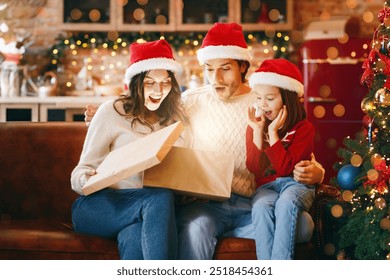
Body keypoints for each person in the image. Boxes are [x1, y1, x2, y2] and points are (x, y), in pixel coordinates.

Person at [83, 23, 325, 260]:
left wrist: (318, 172)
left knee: (303, 227)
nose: (216, 78)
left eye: (225, 68)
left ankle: (231, 232)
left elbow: (295, 146)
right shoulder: (190, 101)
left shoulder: (264, 100)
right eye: (209, 69)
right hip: (207, 205)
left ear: (242, 66)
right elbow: (149, 111)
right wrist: (108, 114)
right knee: (195, 229)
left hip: (252, 203)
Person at [71, 39, 185, 260]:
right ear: (135, 83)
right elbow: (78, 173)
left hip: (144, 215)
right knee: (158, 198)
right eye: (149, 82)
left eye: (165, 82)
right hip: (100, 205)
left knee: (135, 236)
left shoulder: (176, 121)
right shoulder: (111, 112)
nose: (158, 90)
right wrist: (89, 178)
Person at [246, 58, 315, 259]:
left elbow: (286, 169)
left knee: (286, 203)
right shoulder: (256, 126)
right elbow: (254, 169)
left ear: (287, 99)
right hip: (266, 187)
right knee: (259, 207)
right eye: (258, 98)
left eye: (269, 98)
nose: (263, 104)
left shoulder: (303, 129)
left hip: (295, 185)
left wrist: (273, 133)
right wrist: (259, 133)